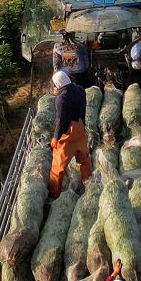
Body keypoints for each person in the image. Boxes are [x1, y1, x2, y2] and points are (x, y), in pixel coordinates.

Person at [49, 68, 93, 197]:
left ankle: (54, 194)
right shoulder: (80, 90)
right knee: (84, 160)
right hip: (80, 131)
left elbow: (61, 120)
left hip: (68, 136)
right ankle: (88, 185)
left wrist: (56, 137)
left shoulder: (61, 99)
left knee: (58, 167)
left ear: (58, 84)